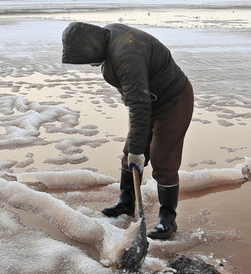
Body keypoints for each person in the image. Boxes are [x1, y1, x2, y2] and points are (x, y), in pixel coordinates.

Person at [62, 22, 194, 240]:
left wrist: (137, 149)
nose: (90, 65)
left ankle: (167, 219)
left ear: (92, 46)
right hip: (147, 100)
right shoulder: (106, 38)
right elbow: (137, 101)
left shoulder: (126, 54)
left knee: (163, 159)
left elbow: (139, 105)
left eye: (87, 59)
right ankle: (126, 203)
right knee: (130, 155)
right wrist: (135, 149)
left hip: (173, 100)